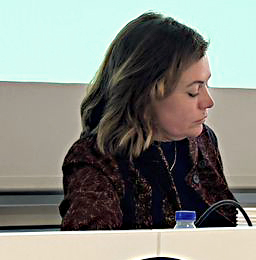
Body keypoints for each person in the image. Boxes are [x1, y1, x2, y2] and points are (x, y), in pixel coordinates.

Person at [59, 12, 237, 230]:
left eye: (207, 85)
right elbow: (89, 247)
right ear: (146, 95)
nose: (208, 102)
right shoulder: (96, 159)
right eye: (193, 91)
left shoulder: (203, 142)